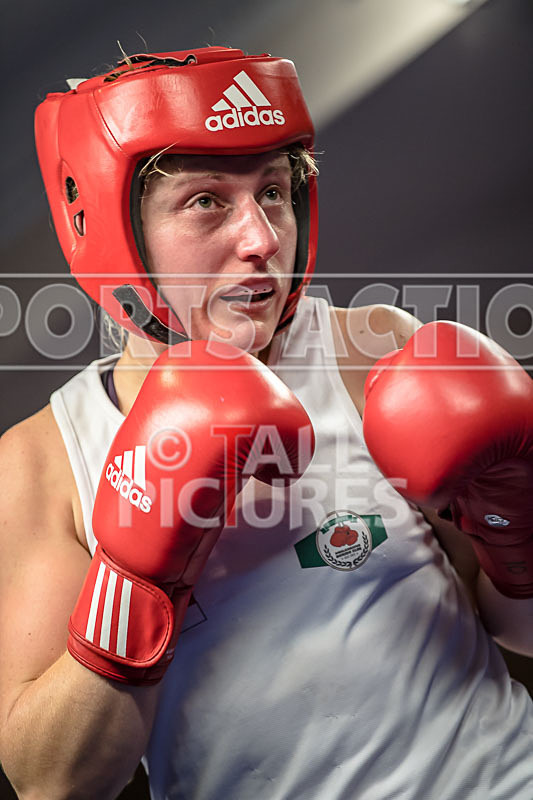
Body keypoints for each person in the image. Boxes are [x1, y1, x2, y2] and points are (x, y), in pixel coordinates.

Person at [0, 46, 532, 800]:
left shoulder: (365, 348)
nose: (259, 239)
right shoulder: (45, 464)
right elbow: (54, 781)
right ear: (110, 229)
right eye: (206, 200)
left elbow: (519, 630)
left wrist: (518, 514)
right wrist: (138, 578)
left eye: (274, 193)